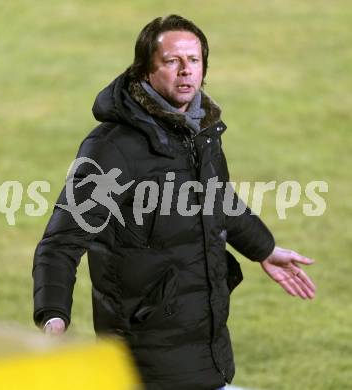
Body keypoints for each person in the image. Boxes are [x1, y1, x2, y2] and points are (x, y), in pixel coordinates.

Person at [32, 15, 316, 390]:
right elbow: (61, 243)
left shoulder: (201, 131)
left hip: (205, 347)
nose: (186, 71)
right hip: (144, 356)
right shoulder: (112, 148)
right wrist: (54, 317)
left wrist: (263, 247)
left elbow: (216, 199)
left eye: (194, 61)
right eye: (172, 61)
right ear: (145, 71)